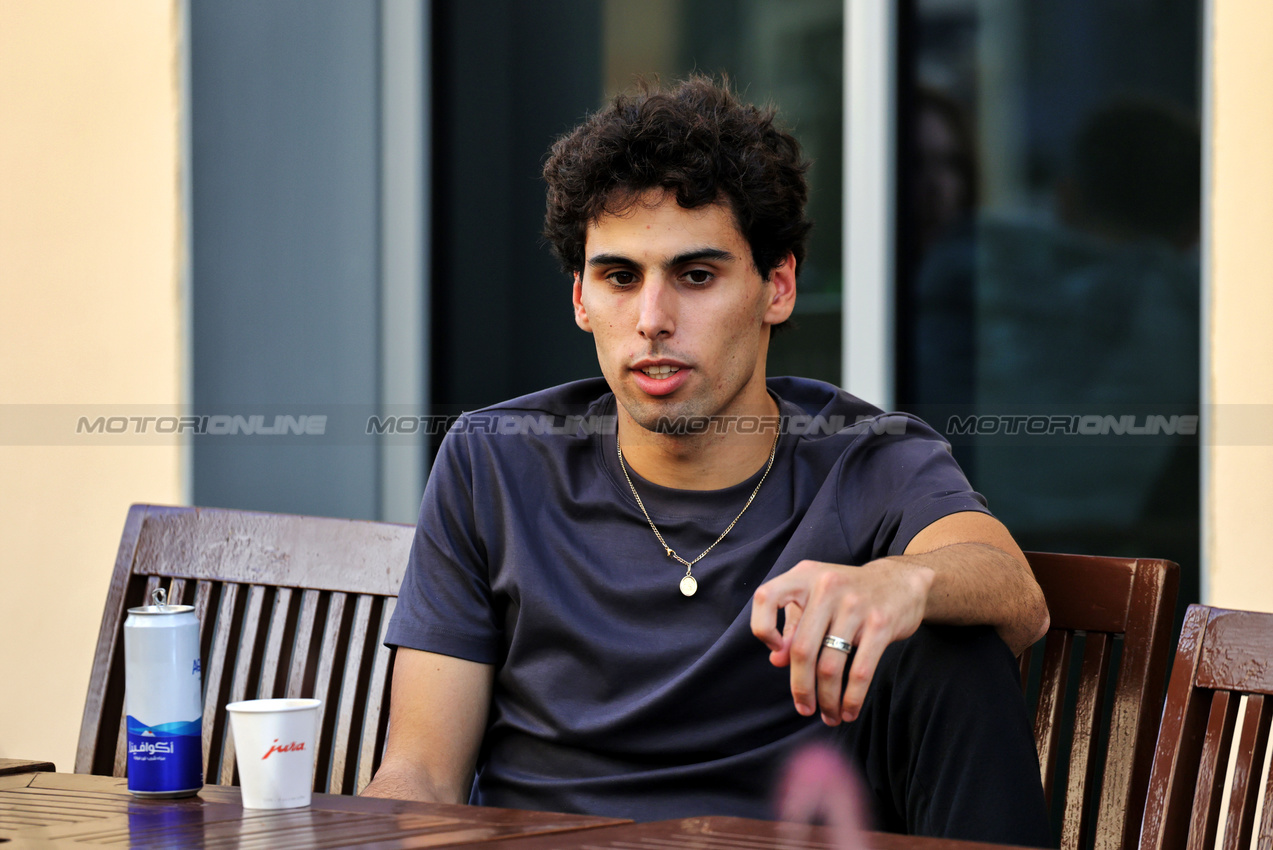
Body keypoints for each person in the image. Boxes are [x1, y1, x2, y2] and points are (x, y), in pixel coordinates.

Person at [362, 76, 1052, 844]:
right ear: (581, 300)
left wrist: (897, 582)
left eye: (696, 276)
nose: (652, 320)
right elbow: (420, 773)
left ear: (777, 287)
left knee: (951, 638)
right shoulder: (494, 462)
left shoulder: (865, 457)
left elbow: (1014, 593)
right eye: (619, 277)